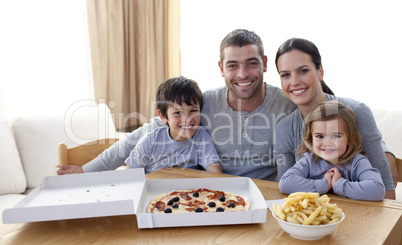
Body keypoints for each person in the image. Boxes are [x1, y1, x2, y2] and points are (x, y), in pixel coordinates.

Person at [57, 29, 297, 181]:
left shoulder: (287, 105)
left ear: (265, 63)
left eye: (251, 63)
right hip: (209, 196)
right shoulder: (204, 103)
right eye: (233, 65)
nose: (242, 74)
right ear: (221, 68)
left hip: (263, 197)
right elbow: (138, 137)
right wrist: (86, 172)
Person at [274, 37, 396, 199]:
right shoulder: (284, 129)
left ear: (320, 72)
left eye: (303, 71)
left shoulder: (357, 112)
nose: (295, 81)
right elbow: (286, 191)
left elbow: (386, 191)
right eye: (285, 75)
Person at [279, 101, 385, 201]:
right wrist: (324, 184)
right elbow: (285, 184)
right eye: (320, 136)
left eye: (336, 136)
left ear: (349, 139)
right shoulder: (308, 161)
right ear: (311, 139)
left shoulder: (358, 162)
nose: (327, 143)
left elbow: (377, 190)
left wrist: (339, 185)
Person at [125, 76, 221, 173]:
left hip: (188, 187)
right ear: (163, 117)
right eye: (177, 112)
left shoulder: (201, 136)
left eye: (193, 110)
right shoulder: (150, 140)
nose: (187, 119)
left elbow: (216, 174)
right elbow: (129, 175)